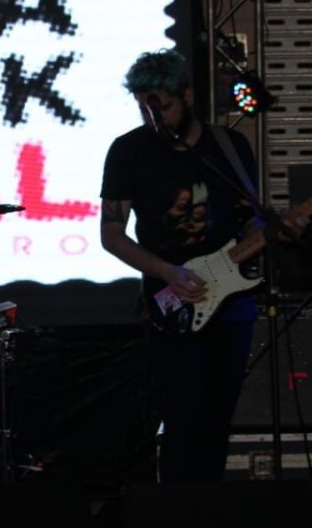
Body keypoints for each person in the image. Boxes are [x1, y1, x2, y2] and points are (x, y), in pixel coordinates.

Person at [99, 49, 261, 484]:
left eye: (164, 107)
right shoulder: (129, 151)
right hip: (171, 302)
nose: (156, 119)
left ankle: (209, 510)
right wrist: (168, 272)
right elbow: (112, 234)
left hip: (232, 301)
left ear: (187, 96)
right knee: (182, 418)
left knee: (218, 419)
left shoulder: (229, 146)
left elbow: (251, 217)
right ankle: (177, 513)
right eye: (145, 109)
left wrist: (269, 231)